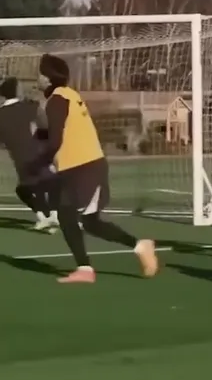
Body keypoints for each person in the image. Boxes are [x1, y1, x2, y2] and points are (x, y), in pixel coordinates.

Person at [30, 54, 158, 283]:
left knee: (67, 215)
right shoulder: (69, 95)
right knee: (89, 221)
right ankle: (140, 246)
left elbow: (56, 140)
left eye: (40, 72)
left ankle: (85, 269)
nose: (36, 77)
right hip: (81, 166)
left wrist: (38, 162)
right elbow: (62, 132)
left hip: (83, 167)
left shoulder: (58, 99)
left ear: (48, 78)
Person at [0, 76, 58, 233]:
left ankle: (44, 217)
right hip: (37, 153)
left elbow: (0, 141)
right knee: (53, 182)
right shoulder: (29, 106)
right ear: (16, 91)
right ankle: (54, 215)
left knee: (26, 189)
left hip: (18, 157)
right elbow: (46, 125)